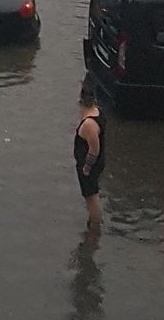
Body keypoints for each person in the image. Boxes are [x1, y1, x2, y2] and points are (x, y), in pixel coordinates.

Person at [74, 77, 106, 228]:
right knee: (92, 195)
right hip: (96, 163)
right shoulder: (97, 111)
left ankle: (94, 226)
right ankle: (94, 221)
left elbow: (94, 149)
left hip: (90, 165)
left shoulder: (89, 124)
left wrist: (86, 168)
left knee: (91, 197)